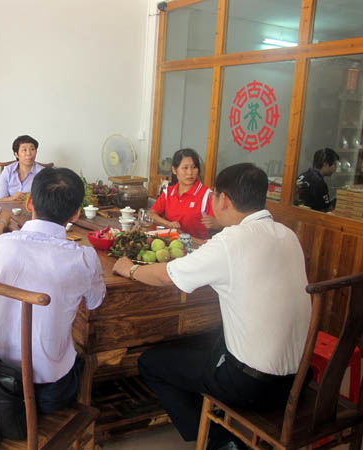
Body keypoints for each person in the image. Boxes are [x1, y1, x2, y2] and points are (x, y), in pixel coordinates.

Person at [113, 163, 311, 450]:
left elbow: (165, 275)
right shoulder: (287, 235)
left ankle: (221, 441)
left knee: (151, 362)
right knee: (207, 337)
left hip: (252, 385)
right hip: (297, 380)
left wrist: (129, 269)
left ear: (224, 200)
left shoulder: (230, 241)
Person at [0, 167, 106, 414]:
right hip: (48, 393)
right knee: (82, 355)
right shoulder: (84, 258)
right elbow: (95, 302)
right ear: (76, 213)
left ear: (29, 203)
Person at [149, 148, 218, 240]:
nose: (190, 173)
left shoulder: (207, 195)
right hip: (171, 243)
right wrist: (168, 224)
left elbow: (221, 224)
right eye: (185, 168)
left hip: (197, 245)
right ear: (174, 170)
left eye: (194, 167)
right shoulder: (168, 192)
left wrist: (216, 223)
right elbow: (151, 214)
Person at [0, 134, 44, 201]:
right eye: (24, 150)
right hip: (11, 207)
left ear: (36, 152)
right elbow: (0, 200)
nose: (29, 153)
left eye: (32, 149)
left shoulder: (42, 173)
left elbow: (47, 199)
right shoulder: (7, 171)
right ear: (16, 154)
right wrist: (13, 198)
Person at [296, 147, 339, 212]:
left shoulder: (303, 175)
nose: (336, 168)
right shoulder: (319, 183)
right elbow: (325, 209)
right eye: (334, 164)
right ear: (325, 164)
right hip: (308, 216)